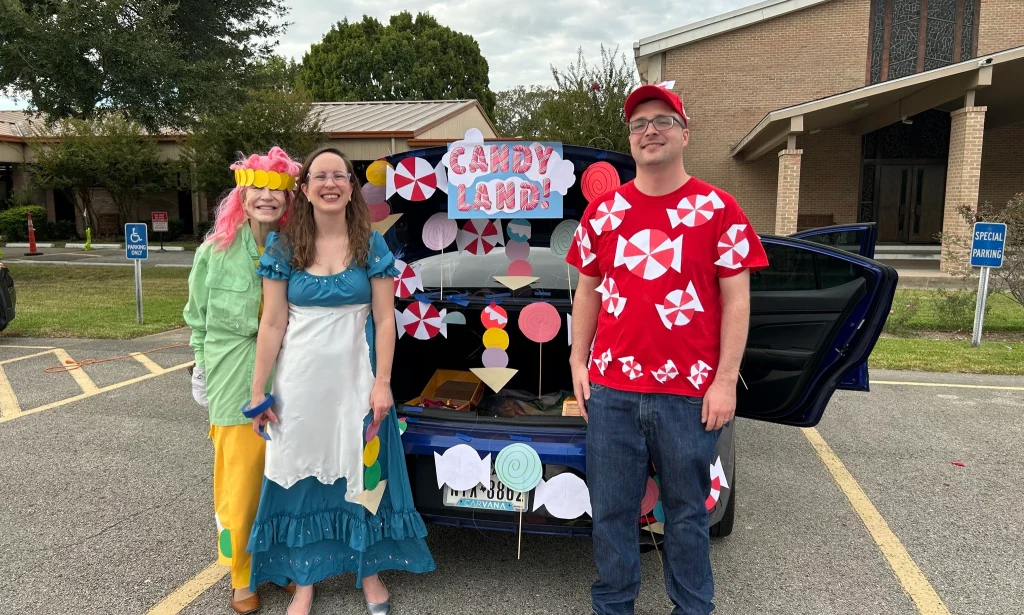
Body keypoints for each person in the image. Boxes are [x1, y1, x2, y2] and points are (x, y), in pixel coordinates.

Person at [566, 83, 768, 615]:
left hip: (689, 393)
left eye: (661, 120)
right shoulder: (602, 213)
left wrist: (726, 380)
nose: (648, 130)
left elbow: (738, 302)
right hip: (612, 390)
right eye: (638, 123)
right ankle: (614, 607)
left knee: (686, 514)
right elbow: (587, 289)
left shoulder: (718, 210)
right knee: (610, 512)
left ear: (684, 133)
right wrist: (575, 359)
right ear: (630, 139)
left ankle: (693, 607)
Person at [245, 146, 436, 615]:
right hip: (300, 384)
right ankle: (305, 580)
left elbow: (386, 321)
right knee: (302, 480)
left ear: (351, 187)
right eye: (320, 176)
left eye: (340, 176)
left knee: (362, 472)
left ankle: (368, 572)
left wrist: (383, 383)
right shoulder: (283, 247)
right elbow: (271, 324)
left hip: (358, 378)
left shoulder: (371, 244)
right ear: (304, 188)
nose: (330, 183)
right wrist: (258, 391)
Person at [183, 146, 304, 614]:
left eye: (275, 191)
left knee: (290, 478)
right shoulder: (214, 252)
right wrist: (199, 366)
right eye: (256, 189)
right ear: (241, 193)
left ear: (288, 199)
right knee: (241, 482)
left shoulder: (299, 251)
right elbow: (197, 317)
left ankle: (290, 563)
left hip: (291, 373)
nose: (265, 199)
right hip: (232, 376)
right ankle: (242, 573)